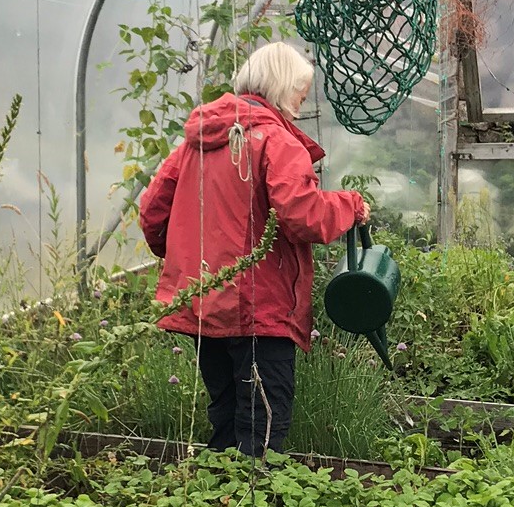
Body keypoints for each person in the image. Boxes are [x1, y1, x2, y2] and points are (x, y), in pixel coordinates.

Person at [137, 41, 367, 456]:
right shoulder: (274, 140)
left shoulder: (195, 142)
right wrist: (349, 205)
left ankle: (212, 505)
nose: (301, 100)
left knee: (225, 414)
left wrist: (183, 257)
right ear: (281, 87)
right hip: (261, 306)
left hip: (204, 301)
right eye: (300, 89)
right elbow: (302, 214)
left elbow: (153, 213)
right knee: (263, 422)